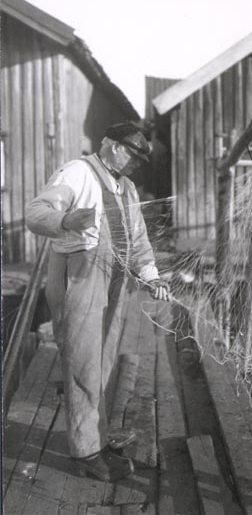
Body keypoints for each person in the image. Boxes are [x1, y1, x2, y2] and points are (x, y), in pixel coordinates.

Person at [26, 122, 170, 482]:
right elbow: (35, 213)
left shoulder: (128, 186)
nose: (136, 164)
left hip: (115, 281)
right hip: (80, 276)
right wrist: (64, 219)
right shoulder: (76, 172)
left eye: (140, 159)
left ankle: (98, 436)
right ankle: (85, 451)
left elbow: (138, 239)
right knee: (83, 363)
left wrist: (151, 276)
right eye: (133, 155)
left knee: (103, 362)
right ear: (111, 145)